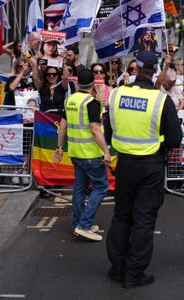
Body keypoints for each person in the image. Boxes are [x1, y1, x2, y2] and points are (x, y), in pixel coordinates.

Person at [106, 50, 182, 288]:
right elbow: (174, 137)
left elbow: (109, 132)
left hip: (125, 164)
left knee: (122, 216)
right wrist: (157, 143)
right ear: (156, 71)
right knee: (144, 220)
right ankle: (134, 273)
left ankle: (118, 268)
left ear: (135, 68)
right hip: (151, 165)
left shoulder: (117, 95)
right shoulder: (161, 100)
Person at [54, 69, 111, 241]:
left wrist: (59, 148)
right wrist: (106, 152)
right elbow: (95, 130)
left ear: (78, 83)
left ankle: (78, 223)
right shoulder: (93, 103)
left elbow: (62, 127)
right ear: (93, 83)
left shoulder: (69, 100)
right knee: (101, 187)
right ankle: (84, 225)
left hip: (75, 153)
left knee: (79, 188)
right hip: (91, 154)